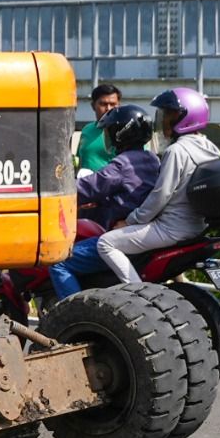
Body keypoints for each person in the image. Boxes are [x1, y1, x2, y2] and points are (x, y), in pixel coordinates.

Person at [96, 87, 219, 283]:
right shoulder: (210, 148)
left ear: (186, 117)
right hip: (196, 226)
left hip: (171, 228)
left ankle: (136, 292)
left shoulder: (177, 151)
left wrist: (130, 221)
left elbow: (160, 195)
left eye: (169, 114)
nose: (164, 120)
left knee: (106, 243)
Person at [50, 104, 158, 296]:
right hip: (144, 234)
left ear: (120, 134)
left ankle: (71, 312)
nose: (106, 138)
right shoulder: (152, 159)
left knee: (58, 262)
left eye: (108, 132)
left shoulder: (122, 164)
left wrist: (53, 191)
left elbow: (87, 187)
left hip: (123, 236)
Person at [75, 83, 122, 174]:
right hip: (85, 182)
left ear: (119, 106)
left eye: (112, 104)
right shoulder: (87, 130)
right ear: (93, 106)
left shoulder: (126, 132)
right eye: (103, 104)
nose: (108, 108)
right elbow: (79, 161)